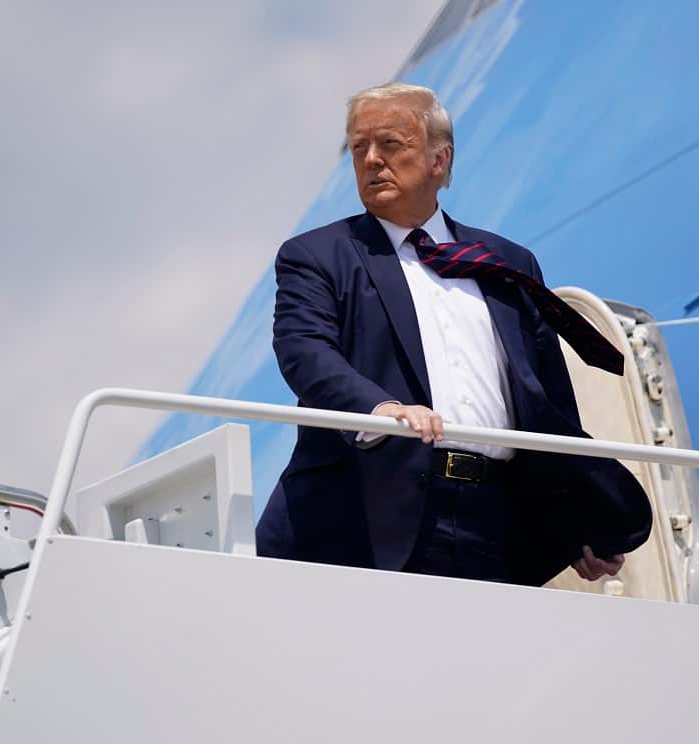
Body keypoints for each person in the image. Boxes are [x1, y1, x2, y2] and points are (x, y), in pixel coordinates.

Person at [255, 82, 651, 585]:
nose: (372, 160)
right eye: (360, 148)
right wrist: (379, 409)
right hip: (370, 516)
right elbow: (304, 352)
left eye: (390, 144)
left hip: (498, 518)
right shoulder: (318, 255)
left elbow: (547, 397)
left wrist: (576, 518)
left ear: (439, 160)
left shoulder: (506, 262)